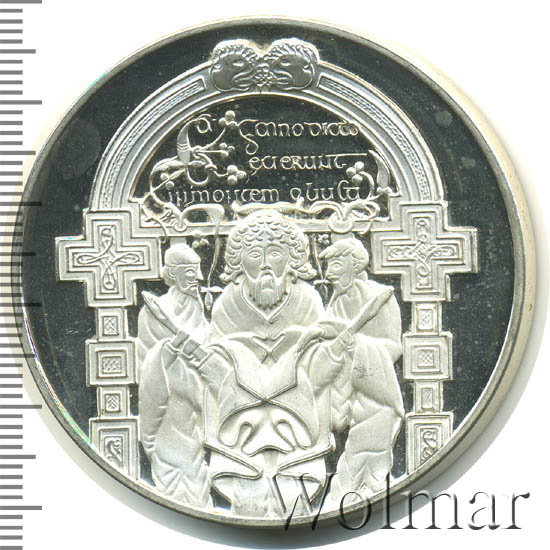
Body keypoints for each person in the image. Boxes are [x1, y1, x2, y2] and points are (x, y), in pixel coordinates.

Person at [173, 210, 350, 517]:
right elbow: (217, 356)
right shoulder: (228, 303)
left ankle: (292, 496)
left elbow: (317, 354)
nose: (266, 264)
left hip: (295, 411)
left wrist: (297, 352)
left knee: (294, 482)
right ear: (240, 262)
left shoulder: (307, 299)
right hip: (242, 413)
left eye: (276, 253)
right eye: (255, 255)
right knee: (247, 481)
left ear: (292, 260)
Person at [319, 237, 404, 500]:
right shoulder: (337, 301)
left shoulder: (380, 297)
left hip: (373, 388)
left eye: (335, 265)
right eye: (328, 266)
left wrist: (356, 346)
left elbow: (393, 347)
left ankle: (356, 497)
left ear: (355, 265)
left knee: (366, 455)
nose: (328, 274)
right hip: (338, 388)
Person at [137, 243, 210, 507]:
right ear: (172, 274)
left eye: (198, 270)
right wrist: (169, 351)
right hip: (170, 409)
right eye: (190, 272)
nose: (198, 278)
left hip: (202, 406)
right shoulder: (155, 312)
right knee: (179, 473)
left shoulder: (198, 309)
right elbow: (146, 361)